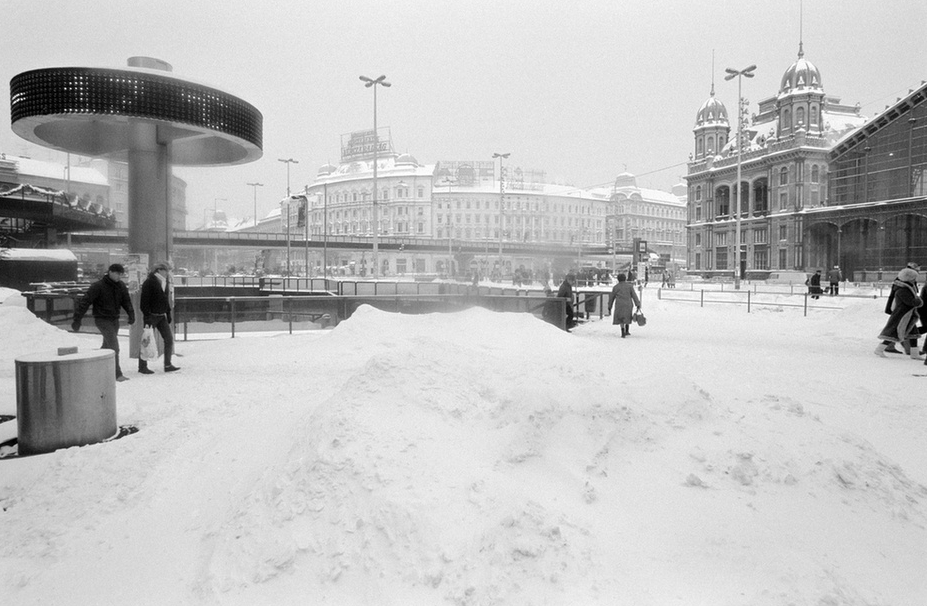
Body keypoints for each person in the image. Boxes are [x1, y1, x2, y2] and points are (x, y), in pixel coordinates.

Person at [71, 263, 136, 381]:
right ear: (110, 272)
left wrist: (131, 314)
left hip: (114, 319)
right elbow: (85, 302)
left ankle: (96, 367)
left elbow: (126, 301)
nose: (119, 277)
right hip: (102, 319)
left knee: (107, 346)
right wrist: (77, 319)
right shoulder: (98, 286)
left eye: (121, 274)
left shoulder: (120, 286)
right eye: (117, 274)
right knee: (114, 346)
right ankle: (117, 373)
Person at [138, 262, 180, 374]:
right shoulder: (149, 282)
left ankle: (167, 364)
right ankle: (142, 366)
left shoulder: (164, 282)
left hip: (161, 316)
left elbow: (165, 300)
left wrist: (168, 312)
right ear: (159, 270)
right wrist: (147, 315)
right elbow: (144, 301)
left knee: (169, 339)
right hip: (151, 316)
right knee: (146, 340)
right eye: (166, 270)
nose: (168, 273)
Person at [875, 266, 922, 359]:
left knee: (913, 334)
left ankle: (914, 354)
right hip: (902, 315)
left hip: (907, 315)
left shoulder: (906, 288)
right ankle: (879, 349)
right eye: (914, 278)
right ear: (909, 278)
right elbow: (910, 302)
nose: (915, 280)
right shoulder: (903, 290)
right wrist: (919, 301)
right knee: (894, 334)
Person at [607, 273, 641, 338]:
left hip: (619, 305)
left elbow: (612, 297)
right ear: (625, 279)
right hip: (628, 304)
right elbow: (634, 296)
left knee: (621, 319)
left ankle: (622, 331)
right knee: (627, 316)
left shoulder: (615, 287)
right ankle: (627, 330)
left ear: (618, 279)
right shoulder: (630, 286)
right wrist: (638, 304)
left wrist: (609, 306)